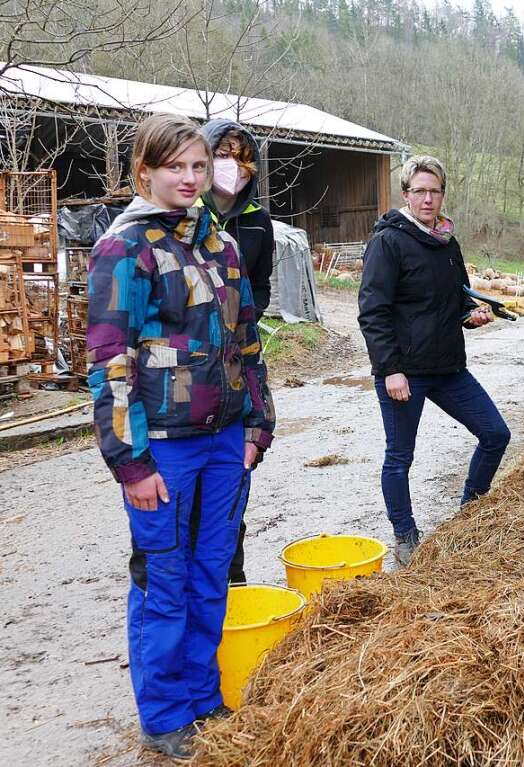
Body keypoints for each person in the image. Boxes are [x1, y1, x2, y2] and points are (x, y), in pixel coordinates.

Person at [87, 113, 275, 760]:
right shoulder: (126, 248)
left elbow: (247, 340)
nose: (191, 178)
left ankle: (202, 697)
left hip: (226, 439)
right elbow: (109, 361)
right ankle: (164, 714)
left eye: (199, 166)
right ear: (146, 172)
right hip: (162, 442)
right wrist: (130, 463)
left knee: (211, 572)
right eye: (176, 167)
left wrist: (258, 423)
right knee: (163, 579)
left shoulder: (219, 242)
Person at [358, 155, 511, 567]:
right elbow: (373, 311)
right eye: (420, 191)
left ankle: (470, 511)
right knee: (400, 457)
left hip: (447, 368)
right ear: (406, 195)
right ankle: (406, 535)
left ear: (443, 195)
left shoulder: (448, 240)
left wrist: (472, 315)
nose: (428, 199)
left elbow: (457, 298)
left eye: (435, 191)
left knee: (496, 434)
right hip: (404, 372)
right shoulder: (388, 241)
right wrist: (390, 369)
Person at [198, 118, 276, 585]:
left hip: (237, 361)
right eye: (224, 154)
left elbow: (260, 285)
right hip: (188, 371)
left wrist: (243, 315)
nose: (234, 166)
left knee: (231, 493)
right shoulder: (185, 216)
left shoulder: (257, 222)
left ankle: (235, 586)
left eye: (244, 157)